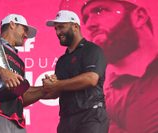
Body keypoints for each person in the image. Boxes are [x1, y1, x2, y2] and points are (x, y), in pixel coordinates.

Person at [60, 0, 158, 132]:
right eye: (85, 19)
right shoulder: (100, 99)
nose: (89, 24)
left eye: (100, 11)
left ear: (139, 16)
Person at [42, 10, 109, 133]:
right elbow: (57, 92)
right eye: (56, 28)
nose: (57, 32)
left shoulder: (92, 50)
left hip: (91, 116)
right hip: (66, 120)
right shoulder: (61, 61)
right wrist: (44, 88)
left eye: (61, 27)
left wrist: (56, 85)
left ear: (75, 27)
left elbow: (91, 79)